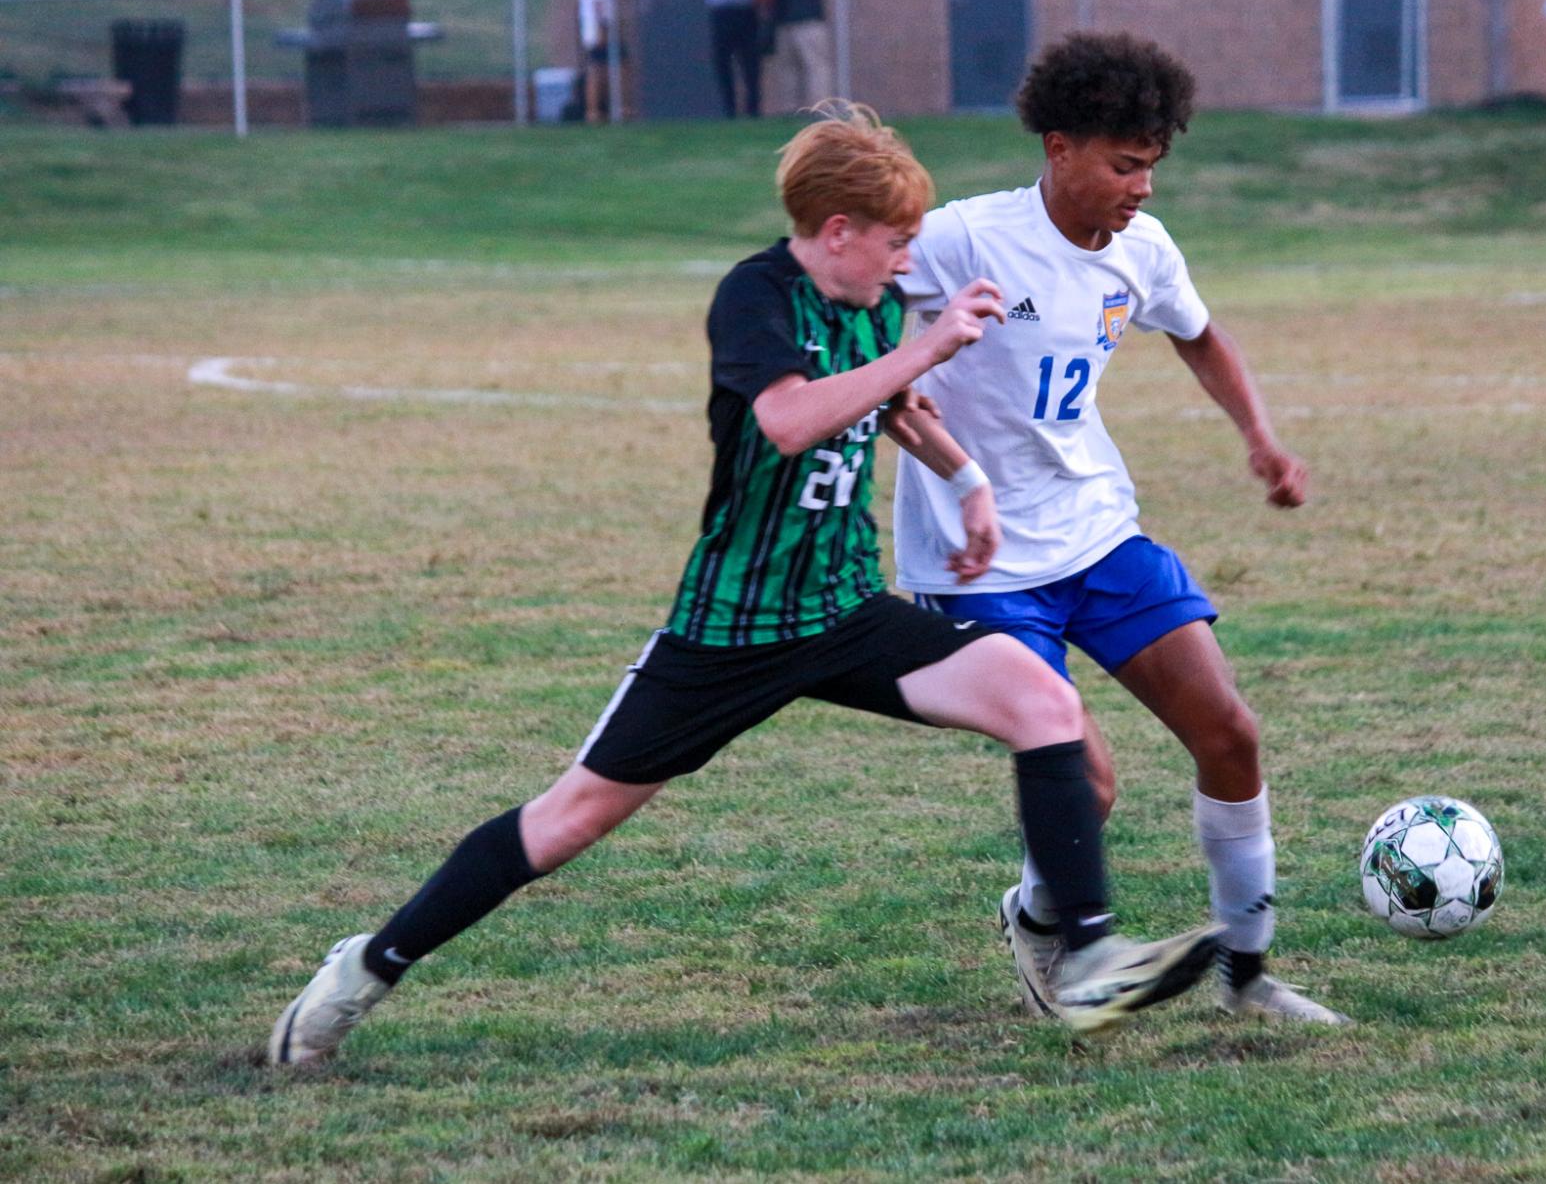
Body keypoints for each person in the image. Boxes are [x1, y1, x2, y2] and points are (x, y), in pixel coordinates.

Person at [267, 104, 1224, 1069]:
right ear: (836, 231)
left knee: (1040, 699)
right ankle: (368, 966)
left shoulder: (877, 303)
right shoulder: (754, 294)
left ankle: (1089, 955)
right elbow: (790, 420)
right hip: (733, 628)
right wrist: (925, 349)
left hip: (844, 608)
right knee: (570, 818)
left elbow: (893, 403)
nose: (908, 263)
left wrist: (965, 478)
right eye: (894, 243)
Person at [892, 33, 1347, 1027]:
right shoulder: (967, 239)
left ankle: (1249, 972)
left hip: (1098, 531)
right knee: (1085, 778)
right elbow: (869, 323)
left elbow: (1199, 333)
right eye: (1122, 163)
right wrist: (926, 416)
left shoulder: (1143, 249)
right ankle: (1040, 913)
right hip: (981, 561)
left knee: (1229, 732)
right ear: (1058, 148)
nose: (1141, 185)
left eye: (1152, 164)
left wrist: (1260, 438)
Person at [577, 0, 622, 125]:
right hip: (596, 26)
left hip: (595, 24)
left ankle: (606, 108)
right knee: (596, 67)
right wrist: (603, 27)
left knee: (606, 66)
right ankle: (593, 111)